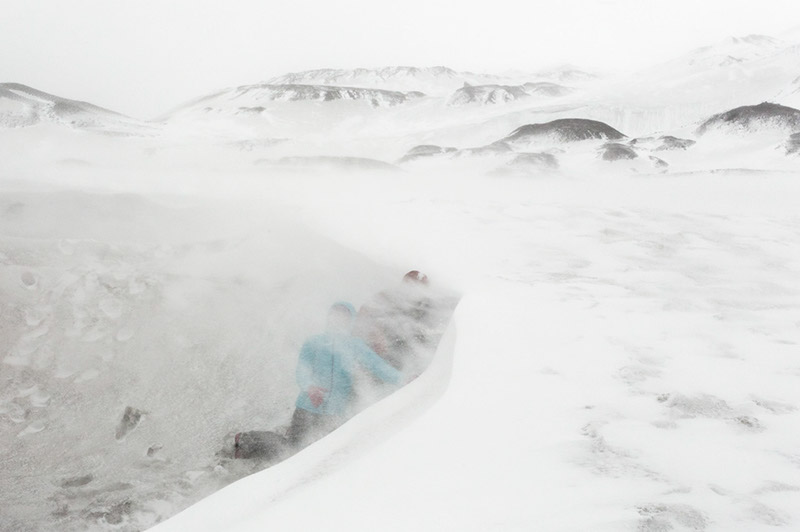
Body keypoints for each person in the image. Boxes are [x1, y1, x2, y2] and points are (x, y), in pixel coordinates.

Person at [286, 302, 402, 448]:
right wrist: (309, 387)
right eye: (335, 313)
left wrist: (403, 379)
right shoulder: (313, 342)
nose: (339, 317)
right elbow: (302, 371)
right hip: (307, 407)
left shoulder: (356, 346)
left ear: (351, 320)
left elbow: (379, 367)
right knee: (294, 450)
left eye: (344, 314)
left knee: (323, 453)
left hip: (335, 412)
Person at [354, 270, 436, 375]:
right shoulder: (388, 298)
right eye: (411, 283)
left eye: (420, 284)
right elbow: (365, 314)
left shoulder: (429, 307)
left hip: (412, 359)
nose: (415, 288)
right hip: (386, 357)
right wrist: (374, 333)